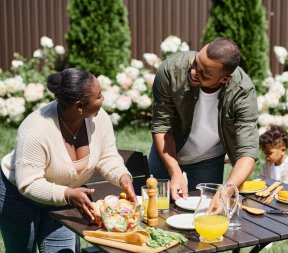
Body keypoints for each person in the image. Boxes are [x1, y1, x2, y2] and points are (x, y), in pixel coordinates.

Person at [0, 68, 136, 253]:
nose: (103, 99)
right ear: (79, 106)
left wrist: (122, 177)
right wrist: (67, 194)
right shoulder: (35, 129)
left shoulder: (99, 118)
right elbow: (29, 183)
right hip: (19, 197)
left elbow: (107, 156)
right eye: (99, 96)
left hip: (65, 199)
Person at [149, 37, 259, 200]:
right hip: (167, 153)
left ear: (224, 79)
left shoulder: (242, 91)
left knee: (204, 213)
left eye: (204, 74)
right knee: (156, 210)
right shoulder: (171, 70)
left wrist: (225, 192)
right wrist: (175, 171)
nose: (193, 73)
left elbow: (247, 151)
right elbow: (161, 126)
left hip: (208, 160)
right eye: (195, 64)